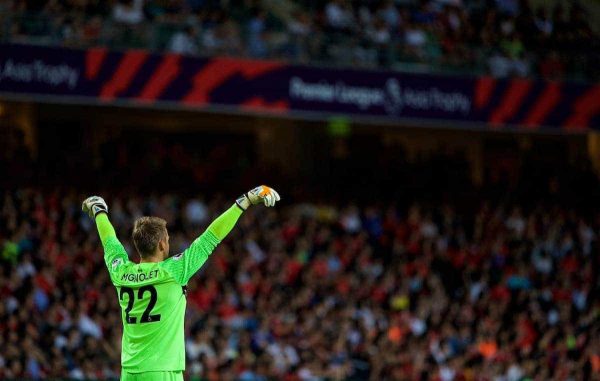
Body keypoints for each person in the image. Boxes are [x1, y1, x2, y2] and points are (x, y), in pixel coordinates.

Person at [81, 186, 281, 381]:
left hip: (129, 371)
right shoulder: (174, 271)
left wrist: (99, 211)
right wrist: (243, 202)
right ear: (161, 244)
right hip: (162, 371)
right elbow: (211, 237)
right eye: (167, 239)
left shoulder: (121, 271)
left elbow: (109, 241)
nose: (168, 242)